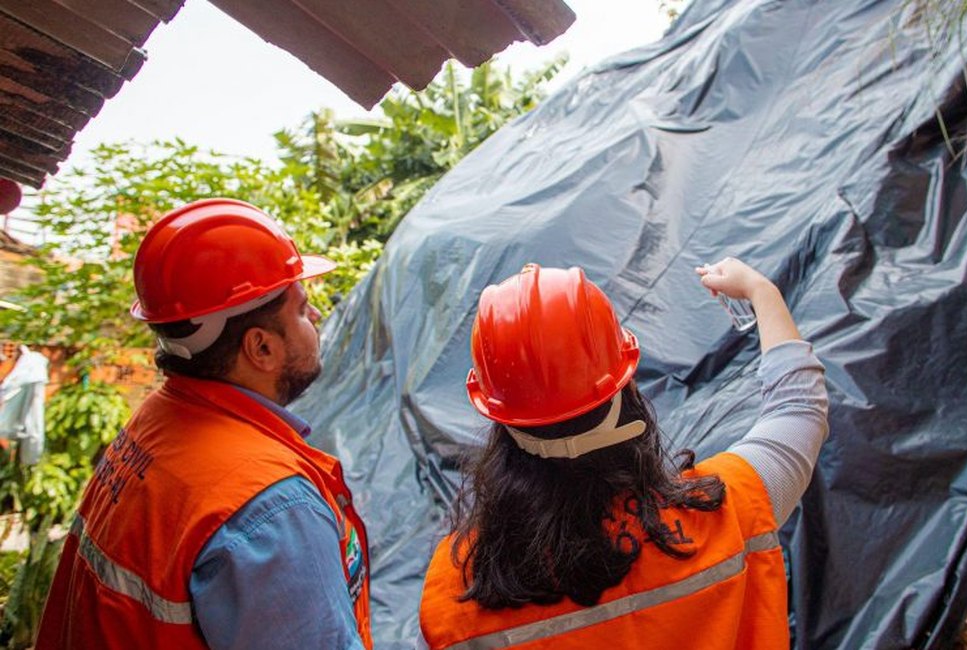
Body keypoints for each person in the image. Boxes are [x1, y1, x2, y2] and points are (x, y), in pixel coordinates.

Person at [419, 259, 828, 649]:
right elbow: (799, 411)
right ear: (625, 392)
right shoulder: (727, 511)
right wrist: (761, 292)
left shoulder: (454, 592)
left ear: (500, 424)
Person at [38, 199, 372, 649]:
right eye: (301, 308)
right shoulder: (272, 507)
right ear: (262, 349)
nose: (315, 317)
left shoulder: (158, 420)